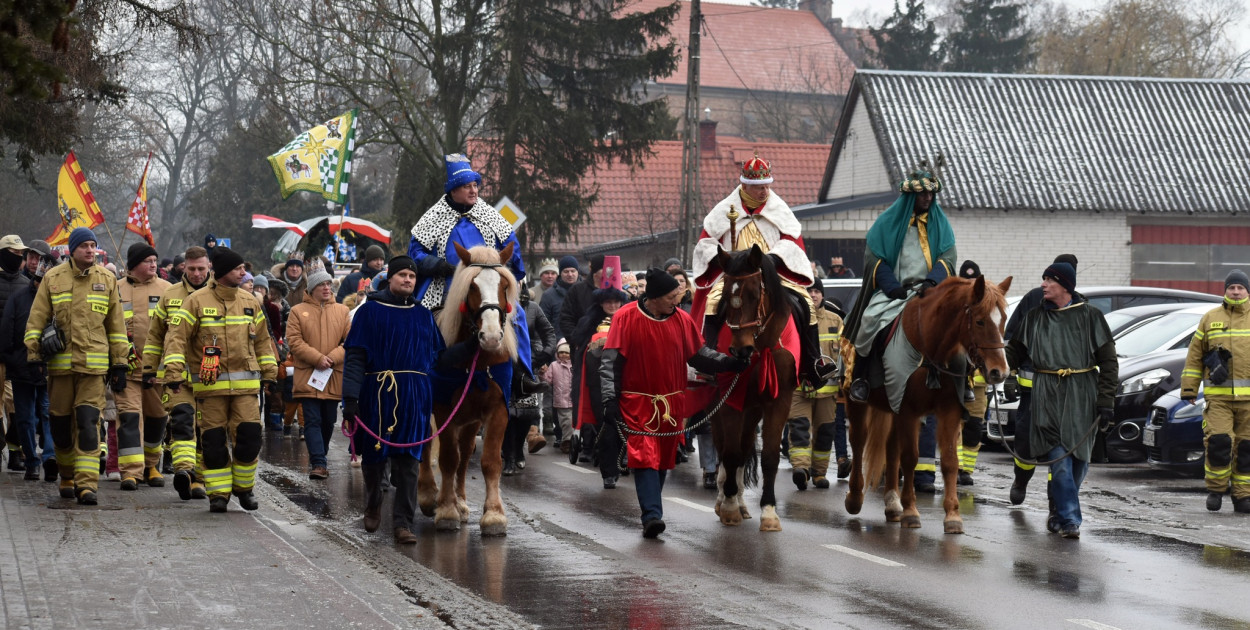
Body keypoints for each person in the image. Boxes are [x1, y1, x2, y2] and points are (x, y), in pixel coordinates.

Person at [599, 269, 748, 538]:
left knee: (663, 459)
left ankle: (652, 509)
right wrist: (610, 399)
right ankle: (652, 515)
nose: (676, 301)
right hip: (637, 402)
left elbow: (699, 355)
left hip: (671, 404)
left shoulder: (682, 319)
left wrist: (728, 363)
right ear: (654, 297)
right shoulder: (625, 317)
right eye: (671, 296)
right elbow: (610, 364)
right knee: (644, 457)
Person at [690, 154, 829, 387]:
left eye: (766, 186)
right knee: (713, 302)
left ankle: (813, 364)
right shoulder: (723, 211)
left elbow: (792, 242)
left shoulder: (780, 211)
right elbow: (704, 245)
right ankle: (708, 363)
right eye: (758, 187)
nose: (764, 192)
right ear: (744, 185)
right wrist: (724, 258)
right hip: (735, 277)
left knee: (807, 304)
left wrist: (774, 259)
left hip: (774, 276)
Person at [162, 247, 280, 513]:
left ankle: (243, 488)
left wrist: (270, 372)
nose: (243, 273)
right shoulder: (195, 301)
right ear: (224, 270)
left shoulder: (250, 301)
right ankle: (219, 494)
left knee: (250, 439)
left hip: (246, 389)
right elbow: (176, 338)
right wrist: (173, 372)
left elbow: (262, 341)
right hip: (210, 387)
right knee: (213, 442)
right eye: (239, 269)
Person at [1004, 261, 1117, 539]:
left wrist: (1105, 401)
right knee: (1059, 458)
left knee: (1079, 460)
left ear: (1065, 286)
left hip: (1082, 394)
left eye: (1049, 280)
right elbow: (1013, 354)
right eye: (1043, 279)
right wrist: (993, 365)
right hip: (1046, 394)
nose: (1043, 284)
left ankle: (1059, 512)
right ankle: (1069, 520)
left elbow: (1109, 362)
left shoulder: (1091, 316)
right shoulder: (1033, 318)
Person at [407, 153, 537, 393]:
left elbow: (512, 248)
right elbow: (414, 253)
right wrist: (441, 266)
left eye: (475, 185)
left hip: (489, 285)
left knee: (516, 317)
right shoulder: (432, 217)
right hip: (444, 285)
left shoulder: (490, 215)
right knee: (416, 319)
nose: (474, 190)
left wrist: (516, 278)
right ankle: (413, 375)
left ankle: (521, 374)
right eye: (467, 186)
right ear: (454, 190)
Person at [341, 256, 445, 542]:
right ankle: (373, 503)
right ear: (390, 278)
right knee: (374, 459)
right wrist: (350, 399)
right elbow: (355, 358)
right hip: (377, 393)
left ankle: (403, 524)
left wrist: (471, 350)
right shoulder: (369, 312)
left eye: (412, 277)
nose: (408, 280)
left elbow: (439, 358)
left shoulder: (423, 314)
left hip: (415, 396)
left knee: (409, 462)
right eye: (402, 275)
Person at [23, 227, 128, 505]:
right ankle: (67, 475)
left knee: (88, 423)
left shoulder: (107, 279)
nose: (90, 250)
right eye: (85, 246)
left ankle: (87, 485)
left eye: (93, 245)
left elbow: (116, 327)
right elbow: (36, 319)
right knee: (60, 425)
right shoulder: (53, 278)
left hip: (93, 372)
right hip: (59, 370)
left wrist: (119, 364)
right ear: (72, 249)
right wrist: (34, 356)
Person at [843, 169, 957, 403]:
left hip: (929, 292)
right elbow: (874, 258)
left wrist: (932, 282)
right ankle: (861, 378)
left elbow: (948, 257)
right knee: (869, 320)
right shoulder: (886, 222)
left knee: (957, 325)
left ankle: (960, 382)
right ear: (910, 196)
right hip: (894, 291)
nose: (927, 198)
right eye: (922, 193)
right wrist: (891, 286)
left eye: (930, 194)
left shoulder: (941, 224)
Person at [1003, 253, 1079, 505]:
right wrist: (1010, 375)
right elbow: (1012, 339)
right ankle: (1021, 480)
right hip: (1032, 392)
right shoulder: (1033, 300)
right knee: (1025, 441)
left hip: (1064, 395)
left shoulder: (1082, 307)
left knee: (1057, 447)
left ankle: (1054, 499)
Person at [143, 246, 212, 500]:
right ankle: (185, 471)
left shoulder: (219, 296)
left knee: (206, 427)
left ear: (209, 267)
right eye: (191, 268)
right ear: (184, 267)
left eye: (201, 269)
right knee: (182, 421)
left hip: (210, 376)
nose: (196, 273)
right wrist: (149, 368)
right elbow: (155, 336)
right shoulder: (170, 295)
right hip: (177, 375)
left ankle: (199, 479)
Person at [1181, 269, 1250, 514]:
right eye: (1232, 287)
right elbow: (1195, 355)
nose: (1236, 291)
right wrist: (1189, 388)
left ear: (1247, 290)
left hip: (1249, 402)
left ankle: (1243, 496)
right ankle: (1216, 490)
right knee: (1219, 442)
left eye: (1240, 287)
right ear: (1225, 290)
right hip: (1218, 397)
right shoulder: (1210, 318)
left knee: (1246, 449)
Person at [114, 242, 171, 490]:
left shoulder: (168, 290)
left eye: (154, 260)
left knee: (157, 418)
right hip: (126, 370)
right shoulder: (115, 290)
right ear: (134, 264)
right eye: (147, 260)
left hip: (156, 371)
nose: (153, 264)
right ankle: (131, 472)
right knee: (129, 418)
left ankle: (151, 465)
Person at [287, 268, 351, 480]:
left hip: (333, 374)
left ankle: (319, 457)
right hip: (308, 375)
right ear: (312, 288)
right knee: (312, 420)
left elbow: (349, 342)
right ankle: (319, 463)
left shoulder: (342, 311)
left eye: (328, 284)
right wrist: (317, 358)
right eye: (321, 284)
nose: (326, 287)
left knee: (328, 420)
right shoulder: (297, 311)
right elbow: (295, 341)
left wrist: (331, 358)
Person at [1, 250, 57, 481]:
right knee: (24, 417)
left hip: (50, 367)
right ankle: (32, 462)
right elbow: (8, 329)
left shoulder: (58, 297)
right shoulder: (20, 296)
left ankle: (50, 458)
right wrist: (12, 358)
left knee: (48, 413)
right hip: (23, 366)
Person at [786, 282, 844, 490]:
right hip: (800, 388)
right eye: (809, 291)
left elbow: (845, 354)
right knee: (799, 428)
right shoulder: (793, 319)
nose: (813, 295)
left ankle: (819, 473)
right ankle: (801, 470)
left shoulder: (835, 320)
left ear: (822, 295)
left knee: (825, 432)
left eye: (817, 291)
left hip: (827, 391)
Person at [0, 234, 31, 471]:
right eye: (14, 253)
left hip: (18, 357)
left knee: (16, 407)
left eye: (21, 253)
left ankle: (15, 449)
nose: (19, 257)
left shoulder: (25, 285)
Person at [543, 340, 574, 453]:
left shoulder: (574, 365)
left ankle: (568, 442)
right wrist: (543, 373)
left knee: (572, 422)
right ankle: (567, 441)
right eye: (561, 352)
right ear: (557, 353)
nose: (564, 355)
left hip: (573, 399)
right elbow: (548, 381)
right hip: (560, 400)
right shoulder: (554, 365)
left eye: (567, 352)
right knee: (564, 422)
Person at [541, 256, 580, 340]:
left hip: (582, 343)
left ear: (577, 272)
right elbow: (543, 324)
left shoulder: (586, 291)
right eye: (566, 271)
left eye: (573, 271)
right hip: (558, 344)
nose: (570, 274)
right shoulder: (549, 295)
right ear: (560, 273)